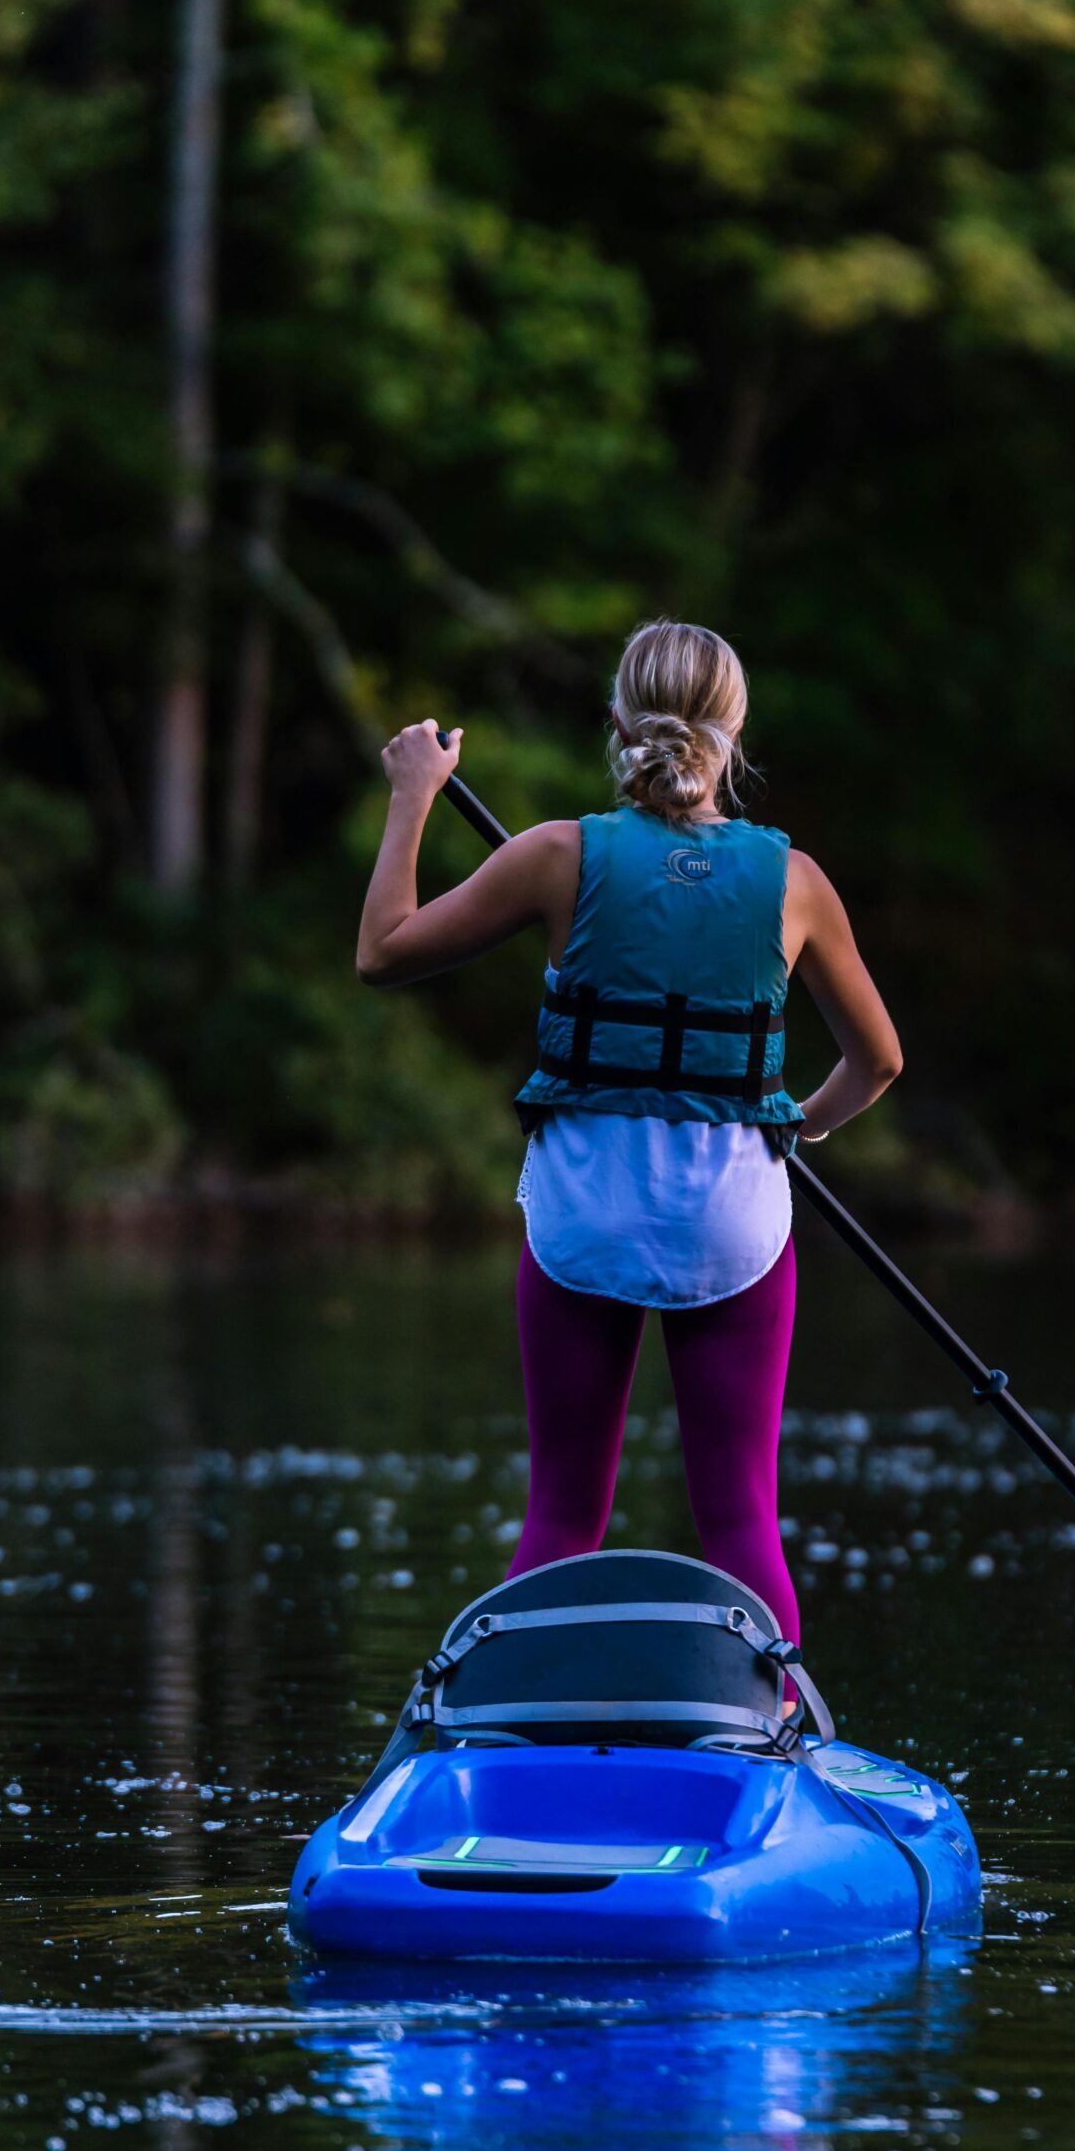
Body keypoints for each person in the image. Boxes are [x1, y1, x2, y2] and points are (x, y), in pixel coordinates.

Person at [355, 618, 902, 1646]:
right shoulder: (795, 881)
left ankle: (515, 1719)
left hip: (583, 1220)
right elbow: (878, 1063)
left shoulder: (556, 855)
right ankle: (774, 1716)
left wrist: (412, 797)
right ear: (733, 734)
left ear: (616, 719)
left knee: (564, 1511)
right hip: (734, 1225)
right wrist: (798, 1127)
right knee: (738, 1513)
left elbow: (383, 953)